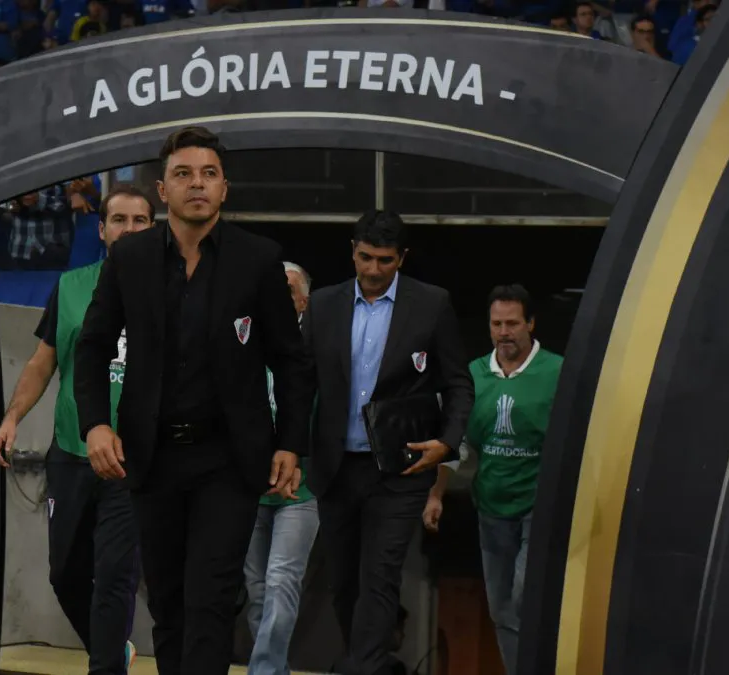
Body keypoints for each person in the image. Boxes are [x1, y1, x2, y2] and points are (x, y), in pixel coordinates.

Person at [73, 126, 315, 675]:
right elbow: (91, 348)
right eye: (183, 174)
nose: (197, 185)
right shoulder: (130, 259)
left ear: (224, 189)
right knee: (168, 606)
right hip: (151, 458)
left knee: (209, 599)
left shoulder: (258, 260)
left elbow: (292, 360)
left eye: (208, 174)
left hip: (228, 460)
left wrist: (290, 444)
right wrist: (94, 425)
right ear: (163, 191)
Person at [0, 185, 156, 675]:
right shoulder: (71, 287)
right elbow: (42, 364)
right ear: (101, 230)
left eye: (139, 221)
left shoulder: (173, 288)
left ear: (153, 229)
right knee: (64, 573)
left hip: (133, 460)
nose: (128, 229)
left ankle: (106, 667)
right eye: (119, 220)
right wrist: (12, 417)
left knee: (115, 576)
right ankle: (111, 649)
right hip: (71, 450)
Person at [300, 210, 474, 675]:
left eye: (385, 260)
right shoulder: (322, 305)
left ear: (403, 258)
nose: (374, 270)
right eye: (365, 258)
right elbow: (301, 383)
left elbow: (459, 383)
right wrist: (287, 448)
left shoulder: (432, 305)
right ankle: (373, 664)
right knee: (342, 584)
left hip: (400, 471)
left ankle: (361, 668)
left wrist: (448, 443)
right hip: (336, 469)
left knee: (379, 577)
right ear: (351, 250)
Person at [425, 284, 563, 675]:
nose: (504, 332)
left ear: (530, 324)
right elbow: (457, 445)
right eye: (496, 324)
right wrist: (435, 496)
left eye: (512, 323)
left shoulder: (557, 372)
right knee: (502, 610)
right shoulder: (473, 375)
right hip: (492, 507)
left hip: (540, 507)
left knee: (524, 599)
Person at [243, 261, 319, 675]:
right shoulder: (245, 342)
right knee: (256, 592)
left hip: (301, 489)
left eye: (287, 290)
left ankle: (265, 672)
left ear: (303, 300)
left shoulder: (319, 347)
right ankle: (273, 671)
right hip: (250, 487)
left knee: (280, 582)